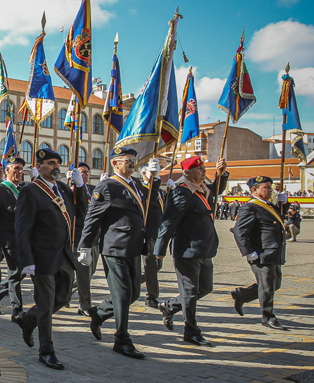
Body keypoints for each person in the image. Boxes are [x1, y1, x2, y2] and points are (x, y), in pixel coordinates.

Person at [77, 147, 157, 360]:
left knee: (134, 294)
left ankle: (98, 313)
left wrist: (154, 181)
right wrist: (85, 246)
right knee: (122, 294)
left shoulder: (138, 185)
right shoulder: (107, 186)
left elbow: (152, 207)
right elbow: (92, 218)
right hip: (115, 248)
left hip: (134, 247)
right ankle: (122, 339)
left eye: (133, 159)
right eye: (127, 160)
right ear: (115, 164)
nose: (132, 162)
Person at [14, 149, 87, 369]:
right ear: (40, 166)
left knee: (63, 299)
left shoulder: (64, 188)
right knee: (46, 306)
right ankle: (46, 351)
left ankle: (28, 320)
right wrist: (26, 260)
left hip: (64, 255)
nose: (56, 167)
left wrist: (81, 188)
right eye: (51, 163)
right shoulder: (31, 190)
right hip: (42, 257)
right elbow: (22, 228)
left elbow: (80, 214)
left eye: (57, 163)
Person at [153, 155, 228, 346]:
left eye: (204, 169)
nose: (203, 172)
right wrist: (159, 250)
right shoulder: (182, 193)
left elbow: (218, 189)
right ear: (187, 172)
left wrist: (222, 173)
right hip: (187, 251)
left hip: (205, 250)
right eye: (199, 169)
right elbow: (168, 222)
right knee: (190, 292)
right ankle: (191, 331)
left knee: (205, 288)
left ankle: (169, 306)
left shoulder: (203, 190)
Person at [231, 176, 290, 330]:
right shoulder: (250, 207)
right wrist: (249, 252)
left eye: (271, 187)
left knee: (275, 284)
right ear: (254, 190)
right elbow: (239, 231)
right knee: (267, 287)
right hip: (261, 253)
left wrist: (284, 204)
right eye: (266, 187)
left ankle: (242, 295)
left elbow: (279, 221)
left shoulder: (269, 206)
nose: (270, 190)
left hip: (273, 253)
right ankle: (268, 317)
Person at [0, 157, 27, 318]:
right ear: (7, 170)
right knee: (18, 271)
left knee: (19, 272)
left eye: (21, 169)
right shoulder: (0, 189)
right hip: (9, 238)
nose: (19, 172)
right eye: (16, 168)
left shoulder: (23, 188)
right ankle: (17, 309)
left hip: (25, 238)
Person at [139, 163, 168, 309]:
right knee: (151, 266)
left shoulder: (157, 190)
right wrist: (155, 181)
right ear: (144, 174)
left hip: (159, 232)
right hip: (148, 232)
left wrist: (171, 191)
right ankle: (151, 296)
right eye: (152, 173)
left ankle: (133, 280)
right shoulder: (143, 189)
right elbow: (150, 197)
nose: (155, 175)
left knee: (157, 265)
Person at [72, 162, 96, 316]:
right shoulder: (71, 192)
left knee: (90, 271)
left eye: (87, 172)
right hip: (80, 236)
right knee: (83, 272)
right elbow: (81, 212)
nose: (86, 174)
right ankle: (84, 304)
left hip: (94, 236)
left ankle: (65, 292)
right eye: (82, 172)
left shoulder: (94, 189)